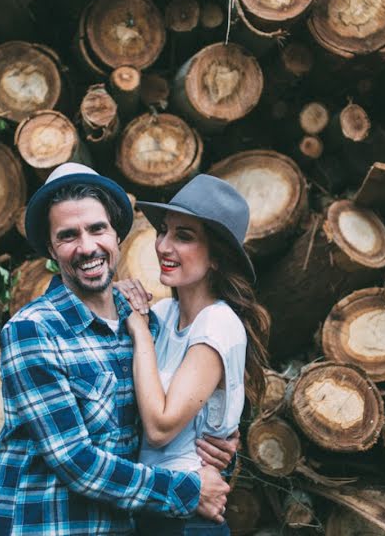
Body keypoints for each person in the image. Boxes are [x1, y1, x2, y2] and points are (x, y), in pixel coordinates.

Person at [0, 163, 237, 536]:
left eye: (97, 229)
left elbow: (174, 409)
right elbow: (76, 462)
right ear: (52, 249)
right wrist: (188, 490)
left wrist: (220, 441)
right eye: (68, 236)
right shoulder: (33, 331)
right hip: (46, 525)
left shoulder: (144, 326)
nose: (87, 247)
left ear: (117, 234)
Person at [115, 174, 271, 536]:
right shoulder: (166, 317)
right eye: (164, 231)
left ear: (217, 257)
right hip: (153, 507)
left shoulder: (217, 324)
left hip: (187, 519)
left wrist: (138, 329)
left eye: (184, 236)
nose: (164, 246)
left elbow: (159, 427)